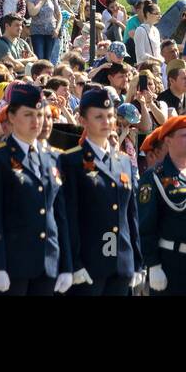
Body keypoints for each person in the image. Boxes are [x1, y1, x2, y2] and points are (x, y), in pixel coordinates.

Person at [0, 82, 71, 296]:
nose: (36, 121)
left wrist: (66, 264)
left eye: (39, 114)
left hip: (48, 261)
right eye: (28, 114)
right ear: (11, 116)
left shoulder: (52, 157)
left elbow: (60, 216)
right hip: (13, 264)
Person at [59, 88, 142, 295]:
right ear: (82, 120)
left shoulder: (122, 161)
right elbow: (67, 217)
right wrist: (73, 263)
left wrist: (138, 261)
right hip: (88, 264)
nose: (106, 122)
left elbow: (131, 215)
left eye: (110, 116)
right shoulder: (71, 161)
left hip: (121, 263)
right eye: (98, 117)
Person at [137, 114, 186, 296]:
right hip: (171, 262)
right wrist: (153, 265)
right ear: (168, 140)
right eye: (184, 135)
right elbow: (146, 226)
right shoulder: (155, 176)